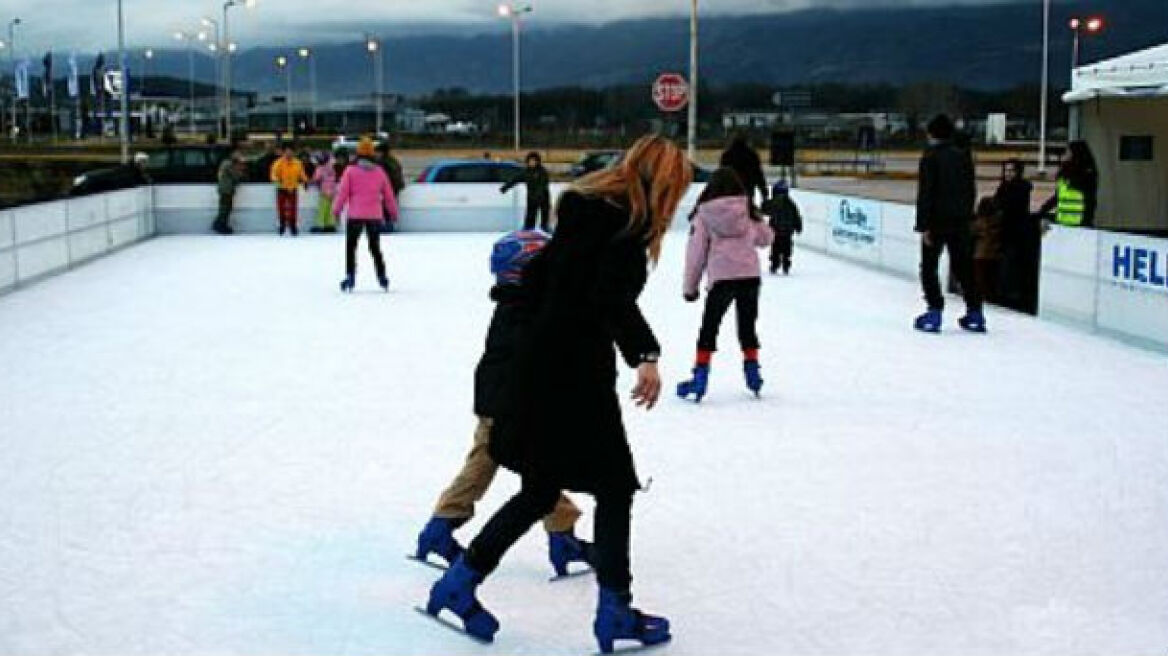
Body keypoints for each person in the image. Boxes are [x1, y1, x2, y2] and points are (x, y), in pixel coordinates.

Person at [422, 135, 692, 653]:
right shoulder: (622, 227)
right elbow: (609, 299)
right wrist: (647, 356)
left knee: (540, 491)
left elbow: (538, 280)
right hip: (576, 380)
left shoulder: (580, 212)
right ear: (664, 184)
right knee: (614, 489)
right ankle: (615, 610)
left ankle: (458, 583)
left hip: (538, 371)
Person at [413, 229, 595, 579]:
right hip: (515, 403)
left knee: (501, 463)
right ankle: (560, 536)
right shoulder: (531, 309)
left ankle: (443, 527)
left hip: (500, 399)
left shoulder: (517, 302)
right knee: (535, 468)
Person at [677, 167, 775, 403]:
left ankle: (700, 376)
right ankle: (753, 373)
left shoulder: (704, 215)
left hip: (721, 279)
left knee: (709, 327)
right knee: (747, 326)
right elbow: (766, 238)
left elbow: (696, 254)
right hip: (749, 278)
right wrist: (758, 218)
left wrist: (690, 288)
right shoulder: (747, 210)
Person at [913, 114, 985, 334]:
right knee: (964, 267)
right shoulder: (963, 156)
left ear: (932, 134)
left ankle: (934, 311)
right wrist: (968, 216)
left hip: (937, 222)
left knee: (929, 267)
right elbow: (970, 190)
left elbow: (926, 192)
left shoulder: (931, 156)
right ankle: (975, 312)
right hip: (960, 222)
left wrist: (923, 225)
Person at [332, 137, 399, 292]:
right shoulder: (380, 172)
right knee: (375, 248)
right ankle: (382, 276)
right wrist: (393, 213)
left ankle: (350, 276)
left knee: (351, 247)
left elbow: (342, 193)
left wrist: (336, 210)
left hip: (355, 215)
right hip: (374, 215)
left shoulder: (350, 171)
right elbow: (389, 195)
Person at [994, 159, 1038, 313]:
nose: (1008, 174)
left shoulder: (1019, 188)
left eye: (1011, 171)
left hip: (1016, 233)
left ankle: (1011, 296)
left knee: (1012, 263)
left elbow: (1010, 207)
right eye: (1006, 170)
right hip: (1005, 232)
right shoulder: (1004, 187)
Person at [1038, 140, 1098, 229]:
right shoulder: (1064, 173)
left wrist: (1086, 223)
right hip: (1062, 222)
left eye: (1067, 152)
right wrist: (1042, 211)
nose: (1064, 155)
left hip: (1079, 224)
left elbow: (1090, 201)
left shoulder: (1086, 174)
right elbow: (1058, 196)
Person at [500, 151, 552, 231]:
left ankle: (544, 229)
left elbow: (543, 185)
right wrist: (506, 187)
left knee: (544, 215)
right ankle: (528, 229)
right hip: (531, 198)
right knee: (530, 216)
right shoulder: (526, 172)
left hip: (543, 198)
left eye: (534, 161)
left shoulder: (542, 172)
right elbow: (516, 179)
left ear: (537, 162)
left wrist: (538, 195)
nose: (532, 163)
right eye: (530, 161)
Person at [761, 180, 803, 275]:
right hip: (787, 231)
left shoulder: (774, 202)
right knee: (786, 248)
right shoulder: (791, 203)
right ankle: (785, 264)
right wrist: (798, 227)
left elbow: (765, 209)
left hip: (775, 230)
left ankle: (775, 264)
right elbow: (796, 216)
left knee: (775, 248)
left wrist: (764, 200)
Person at [719, 134, 769, 206]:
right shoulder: (752, 155)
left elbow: (721, 175)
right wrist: (764, 193)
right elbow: (758, 175)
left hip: (730, 191)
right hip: (747, 189)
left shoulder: (727, 155)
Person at [270, 144, 308, 236]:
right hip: (282, 189)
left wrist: (305, 181)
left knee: (293, 209)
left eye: (291, 151)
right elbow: (273, 174)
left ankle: (293, 226)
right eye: (287, 151)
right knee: (281, 208)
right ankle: (282, 225)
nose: (289, 153)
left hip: (293, 188)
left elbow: (301, 174)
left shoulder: (298, 163)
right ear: (283, 152)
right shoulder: (278, 163)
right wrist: (277, 182)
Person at [971, 196, 1003, 305]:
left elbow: (971, 231)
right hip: (995, 254)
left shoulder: (979, 222)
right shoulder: (999, 220)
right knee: (991, 280)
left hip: (980, 254)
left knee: (980, 279)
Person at [212, 152, 246, 235]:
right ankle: (220, 225)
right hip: (226, 189)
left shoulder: (226, 164)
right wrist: (241, 171)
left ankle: (221, 224)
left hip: (226, 189)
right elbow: (236, 175)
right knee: (225, 208)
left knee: (226, 207)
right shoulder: (228, 165)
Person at [376, 141, 406, 230]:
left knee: (384, 208)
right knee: (389, 207)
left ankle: (386, 225)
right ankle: (389, 224)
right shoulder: (393, 161)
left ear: (382, 152)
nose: (376, 154)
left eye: (377, 152)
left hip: (389, 188)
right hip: (394, 187)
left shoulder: (382, 162)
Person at [309, 152, 339, 234]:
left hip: (325, 191)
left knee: (322, 209)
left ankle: (320, 225)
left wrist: (311, 181)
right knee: (330, 209)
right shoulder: (332, 169)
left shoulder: (320, 169)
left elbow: (316, 179)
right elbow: (334, 178)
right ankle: (330, 225)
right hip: (333, 191)